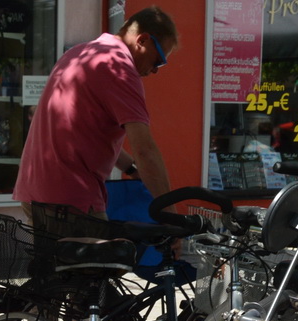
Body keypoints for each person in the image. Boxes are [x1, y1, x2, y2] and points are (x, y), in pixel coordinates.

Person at [13, 8, 178, 229]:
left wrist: (130, 169)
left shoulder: (79, 53)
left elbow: (87, 132)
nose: (155, 70)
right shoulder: (118, 68)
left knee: (52, 263)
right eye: (158, 60)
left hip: (36, 190)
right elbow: (145, 150)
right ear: (143, 40)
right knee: (102, 263)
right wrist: (171, 215)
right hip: (71, 197)